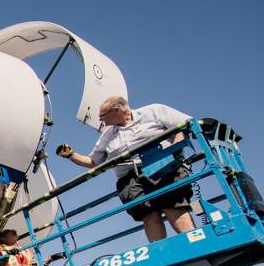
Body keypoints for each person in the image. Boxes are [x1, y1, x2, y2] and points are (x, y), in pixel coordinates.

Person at [55, 96, 195, 243]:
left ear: (117, 110)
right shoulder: (108, 135)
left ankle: (195, 243)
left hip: (162, 166)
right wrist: (71, 155)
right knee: (148, 216)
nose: (101, 121)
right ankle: (161, 252)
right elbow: (93, 162)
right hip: (130, 180)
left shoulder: (154, 111)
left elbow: (184, 125)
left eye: (102, 116)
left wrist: (173, 152)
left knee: (173, 207)